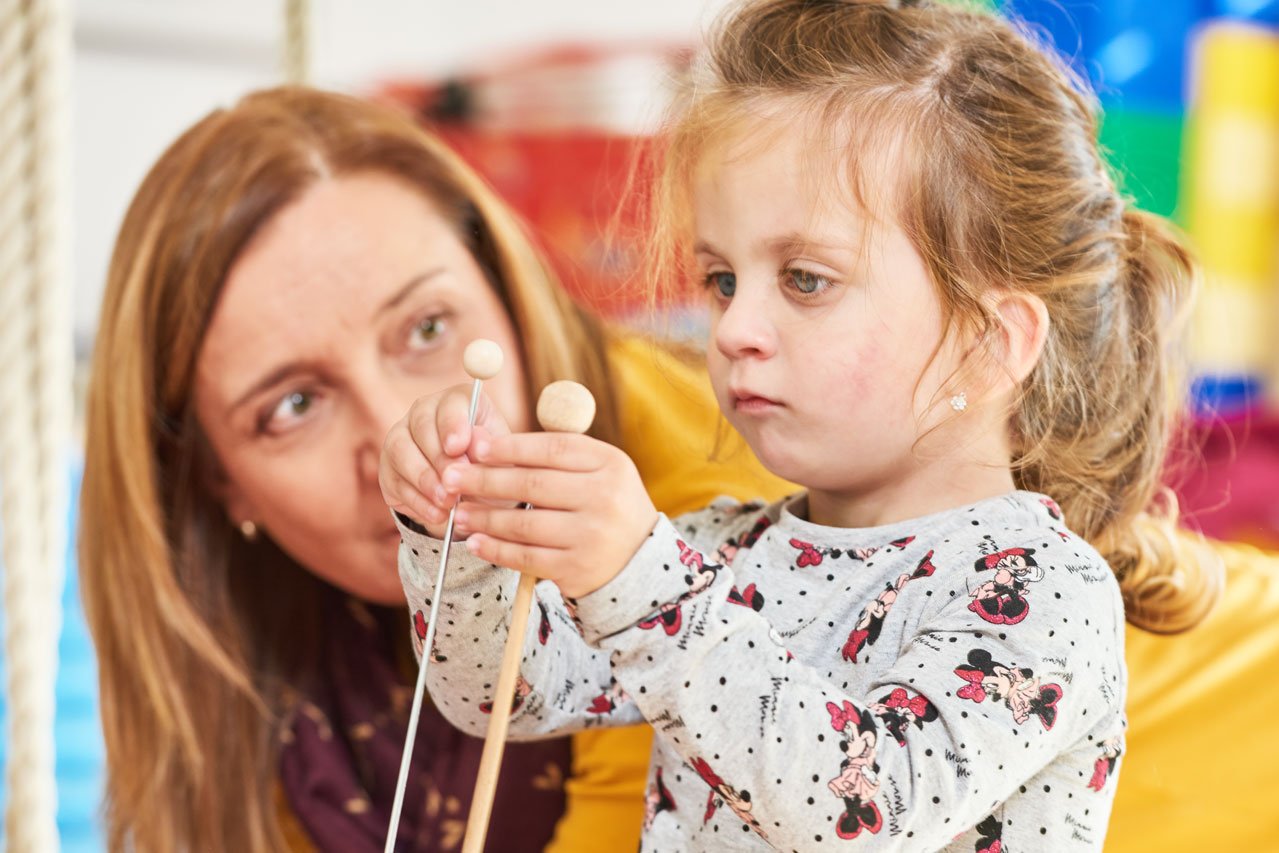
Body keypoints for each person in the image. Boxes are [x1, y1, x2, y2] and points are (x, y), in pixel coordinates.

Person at [381, 1, 1223, 850]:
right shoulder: (720, 555)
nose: (733, 326)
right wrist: (452, 541)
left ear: (987, 344)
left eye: (805, 279)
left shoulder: (1042, 594)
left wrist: (640, 579)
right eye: (719, 279)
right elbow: (503, 693)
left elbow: (859, 809)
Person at [78, 86, 789, 852]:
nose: (396, 438)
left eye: (426, 327)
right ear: (218, 484)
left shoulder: (731, 513)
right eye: (292, 406)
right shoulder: (245, 665)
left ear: (510, 295)